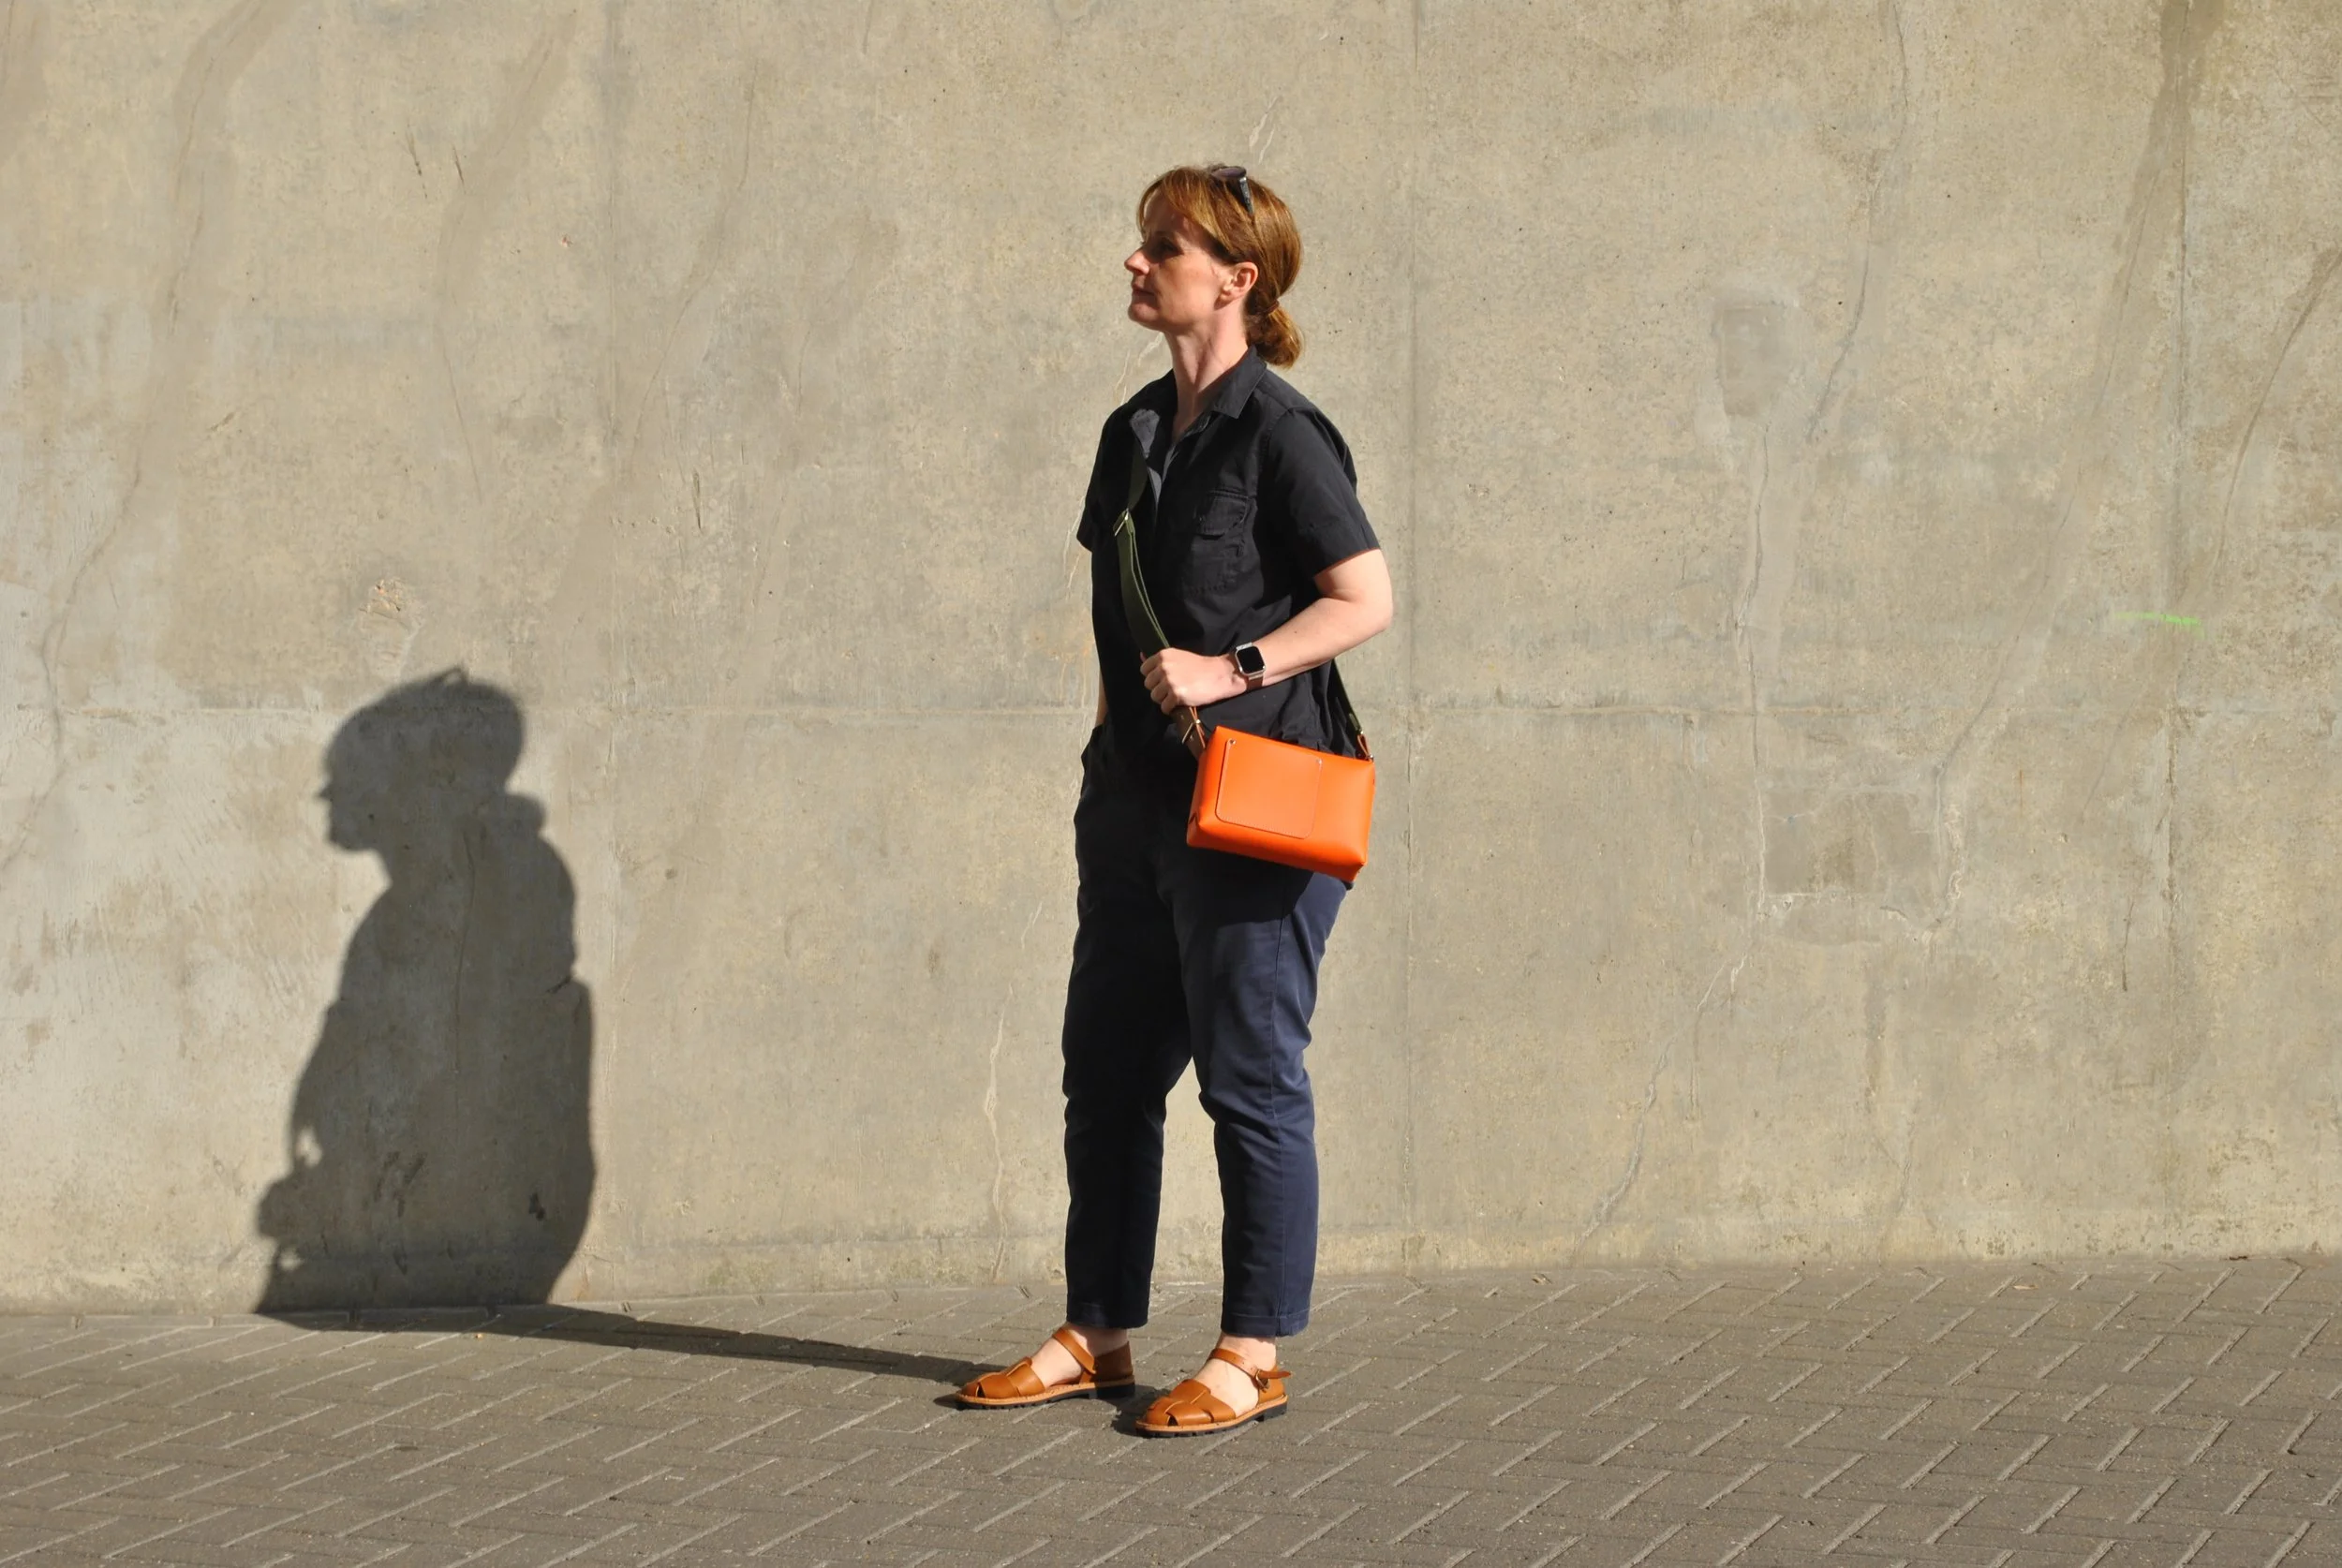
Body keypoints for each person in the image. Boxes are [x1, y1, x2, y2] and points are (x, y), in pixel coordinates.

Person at [958, 166, 1393, 1435]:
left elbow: (1365, 596)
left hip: (1255, 809)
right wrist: (1107, 763)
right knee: (1105, 1070)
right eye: (1142, 245)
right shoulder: (1132, 434)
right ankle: (1098, 1329)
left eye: (1163, 247)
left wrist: (1234, 666)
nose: (1136, 264)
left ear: (1237, 279)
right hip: (1137, 806)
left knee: (1250, 1079)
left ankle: (1251, 1351)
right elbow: (1116, 620)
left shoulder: (1285, 436)